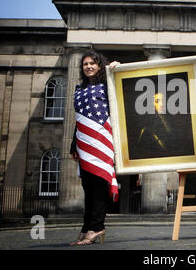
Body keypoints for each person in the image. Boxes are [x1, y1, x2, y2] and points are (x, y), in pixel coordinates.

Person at [69, 51, 120, 245]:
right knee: (88, 189)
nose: (88, 66)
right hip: (84, 142)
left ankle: (97, 227)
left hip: (101, 141)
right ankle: (86, 228)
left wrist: (115, 68)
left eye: (92, 63)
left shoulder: (106, 84)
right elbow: (79, 120)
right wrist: (74, 144)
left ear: (99, 66)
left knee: (99, 187)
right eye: (85, 64)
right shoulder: (79, 89)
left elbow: (122, 86)